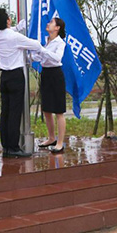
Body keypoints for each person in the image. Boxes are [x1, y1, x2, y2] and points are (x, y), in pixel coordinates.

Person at [0, 8, 42, 158]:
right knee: (14, 112)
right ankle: (14, 147)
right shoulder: (15, 37)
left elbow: (6, 32)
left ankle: (6, 146)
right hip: (16, 76)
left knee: (5, 112)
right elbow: (36, 45)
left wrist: (16, 28)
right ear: (8, 20)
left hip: (4, 77)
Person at [31, 18, 67, 154]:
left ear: (57, 28)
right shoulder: (46, 41)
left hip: (56, 74)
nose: (48, 24)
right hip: (45, 73)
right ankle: (51, 138)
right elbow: (41, 58)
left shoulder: (60, 42)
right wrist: (34, 54)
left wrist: (42, 50)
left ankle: (60, 142)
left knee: (58, 111)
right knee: (46, 109)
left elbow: (57, 58)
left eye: (51, 22)